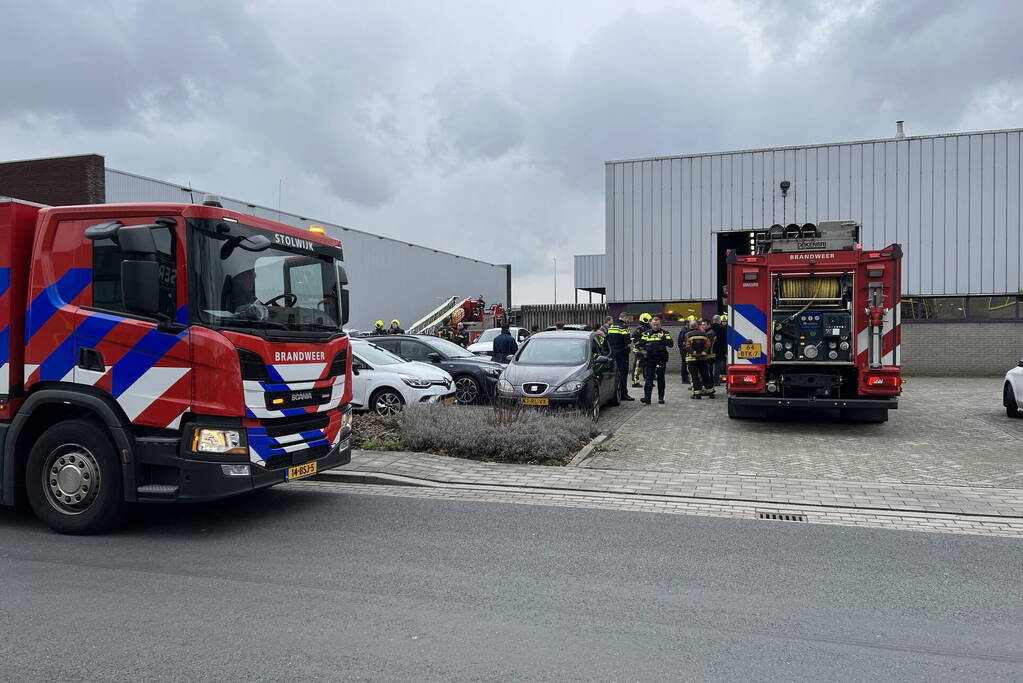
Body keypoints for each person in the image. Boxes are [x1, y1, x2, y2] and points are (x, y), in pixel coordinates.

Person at [638, 316, 673, 404]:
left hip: (661, 359)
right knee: (649, 378)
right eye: (654, 324)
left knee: (661, 379)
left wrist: (663, 338)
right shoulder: (647, 333)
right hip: (650, 359)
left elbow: (670, 344)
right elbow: (641, 344)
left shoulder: (665, 333)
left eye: (657, 324)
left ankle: (661, 398)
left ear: (660, 324)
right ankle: (647, 398)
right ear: (651, 324)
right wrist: (645, 344)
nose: (656, 326)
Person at [606, 312, 635, 401]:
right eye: (627, 319)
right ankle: (623, 394)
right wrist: (630, 340)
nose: (627, 321)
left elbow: (608, 339)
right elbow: (627, 341)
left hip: (612, 354)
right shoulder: (623, 327)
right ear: (624, 318)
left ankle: (614, 394)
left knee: (614, 374)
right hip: (622, 354)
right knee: (623, 374)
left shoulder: (611, 327)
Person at [684, 320, 716, 399]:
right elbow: (708, 345)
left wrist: (694, 353)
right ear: (697, 326)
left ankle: (697, 394)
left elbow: (687, 346)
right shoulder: (704, 334)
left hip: (692, 359)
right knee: (705, 375)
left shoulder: (687, 334)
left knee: (694, 376)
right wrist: (704, 352)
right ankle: (711, 393)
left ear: (690, 326)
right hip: (703, 358)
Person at [630, 313, 652, 387]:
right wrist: (640, 345)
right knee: (637, 367)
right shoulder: (640, 329)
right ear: (645, 320)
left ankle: (648, 380)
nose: (650, 322)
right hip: (639, 351)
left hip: (646, 351)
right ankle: (635, 382)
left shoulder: (648, 329)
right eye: (649, 320)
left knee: (646, 366)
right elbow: (633, 338)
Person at [711, 314, 727, 385]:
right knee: (717, 365)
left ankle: (709, 380)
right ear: (719, 320)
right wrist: (725, 350)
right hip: (719, 350)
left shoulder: (710, 327)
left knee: (710, 365)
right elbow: (725, 340)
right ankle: (716, 380)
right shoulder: (722, 328)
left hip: (709, 350)